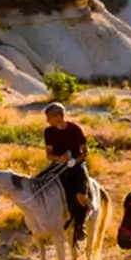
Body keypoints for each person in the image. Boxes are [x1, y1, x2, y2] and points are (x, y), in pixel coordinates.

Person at [42, 103, 91, 244]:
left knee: (79, 195)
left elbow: (85, 152)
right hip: (58, 165)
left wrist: (74, 161)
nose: (47, 120)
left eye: (49, 117)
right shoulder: (48, 132)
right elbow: (49, 154)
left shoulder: (75, 130)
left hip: (75, 165)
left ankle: (80, 226)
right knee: (39, 185)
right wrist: (59, 159)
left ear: (59, 116)